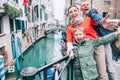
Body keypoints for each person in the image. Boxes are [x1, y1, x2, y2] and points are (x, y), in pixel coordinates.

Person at [66, 5, 117, 80]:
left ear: (79, 11)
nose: (73, 13)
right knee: (91, 71)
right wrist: (70, 51)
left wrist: (104, 23)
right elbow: (69, 42)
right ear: (69, 15)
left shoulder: (88, 19)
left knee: (102, 72)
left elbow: (99, 23)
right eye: (71, 12)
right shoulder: (70, 28)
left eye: (75, 11)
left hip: (96, 45)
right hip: (85, 48)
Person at [81, 1, 118, 80]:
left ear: (91, 6)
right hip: (96, 43)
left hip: (103, 41)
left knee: (109, 66)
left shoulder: (92, 13)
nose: (85, 6)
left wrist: (101, 21)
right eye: (83, 5)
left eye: (87, 5)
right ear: (81, 9)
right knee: (101, 67)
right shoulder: (85, 19)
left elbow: (96, 17)